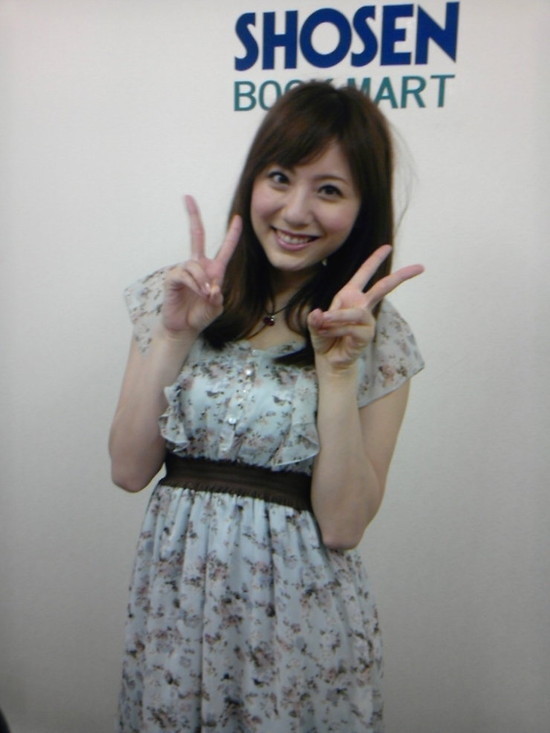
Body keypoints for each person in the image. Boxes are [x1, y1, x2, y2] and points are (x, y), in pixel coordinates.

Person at [110, 80, 424, 733]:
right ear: (253, 180)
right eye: (280, 177)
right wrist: (173, 336)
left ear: (361, 208)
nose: (296, 210)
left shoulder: (377, 337)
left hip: (299, 625)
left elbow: (343, 526)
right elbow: (129, 468)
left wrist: (338, 371)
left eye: (329, 190)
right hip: (178, 611)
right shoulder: (175, 297)